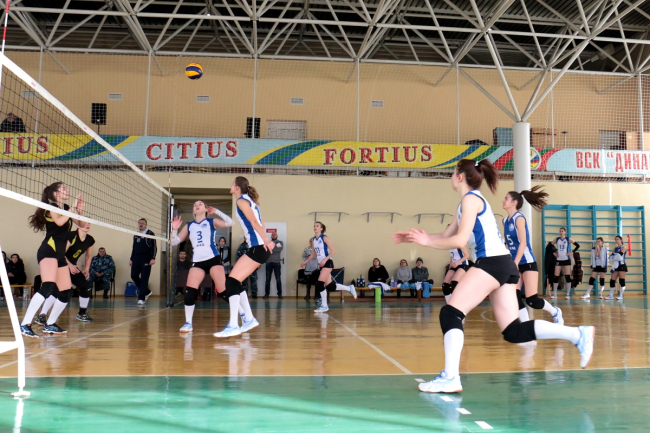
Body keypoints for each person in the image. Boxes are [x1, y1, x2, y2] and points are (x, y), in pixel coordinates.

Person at [393, 159, 594, 394]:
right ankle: (577, 334)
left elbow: (459, 240)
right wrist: (421, 238)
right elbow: (447, 234)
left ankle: (450, 377)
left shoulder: (471, 200)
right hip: (502, 264)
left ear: (460, 177)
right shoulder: (466, 203)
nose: (451, 176)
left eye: (453, 172)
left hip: (492, 263)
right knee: (513, 332)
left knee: (450, 313)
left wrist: (427, 242)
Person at [21, 182, 84, 338]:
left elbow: (82, 226)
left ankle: (50, 324)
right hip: (48, 251)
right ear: (56, 194)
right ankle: (25, 324)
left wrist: (79, 212)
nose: (67, 190)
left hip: (60, 255)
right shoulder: (50, 208)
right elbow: (60, 222)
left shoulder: (66, 208)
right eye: (64, 189)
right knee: (48, 286)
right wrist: (72, 208)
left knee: (66, 291)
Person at [214, 176, 273, 338]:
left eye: (232, 183)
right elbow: (261, 222)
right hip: (258, 247)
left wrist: (266, 240)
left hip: (259, 247)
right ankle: (249, 319)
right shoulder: (249, 201)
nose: (230, 185)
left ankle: (234, 325)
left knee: (231, 282)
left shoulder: (241, 201)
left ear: (237, 187)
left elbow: (254, 221)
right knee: (235, 281)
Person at [171, 201, 235, 333]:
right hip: (198, 262)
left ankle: (242, 313)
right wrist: (174, 229)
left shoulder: (211, 222)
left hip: (213, 259)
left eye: (200, 204)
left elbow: (230, 223)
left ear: (206, 209)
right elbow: (174, 242)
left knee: (223, 291)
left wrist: (216, 211)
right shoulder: (189, 225)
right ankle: (188, 323)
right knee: (190, 291)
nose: (197, 205)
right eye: (194, 204)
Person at [502, 187, 563, 324]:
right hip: (514, 262)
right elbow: (508, 243)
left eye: (506, 198)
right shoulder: (505, 221)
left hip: (527, 261)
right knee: (514, 296)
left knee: (532, 300)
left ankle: (555, 311)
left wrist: (515, 262)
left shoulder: (519, 218)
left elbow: (523, 242)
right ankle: (526, 325)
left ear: (514, 202)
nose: (503, 201)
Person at [37, 223, 96, 325]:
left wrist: (87, 269)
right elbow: (61, 253)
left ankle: (82, 313)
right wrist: (69, 265)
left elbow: (88, 256)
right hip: (60, 263)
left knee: (85, 286)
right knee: (56, 290)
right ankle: (42, 315)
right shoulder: (71, 236)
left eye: (89, 223)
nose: (87, 225)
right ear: (78, 225)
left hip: (72, 266)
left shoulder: (90, 240)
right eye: (84, 223)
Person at [302, 221, 356, 313]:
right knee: (330, 286)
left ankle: (324, 305)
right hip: (322, 264)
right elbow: (313, 254)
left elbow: (333, 251)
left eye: (317, 226)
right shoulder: (314, 239)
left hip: (328, 263)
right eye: (314, 226)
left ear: (321, 228)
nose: (315, 227)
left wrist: (324, 260)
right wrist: (305, 262)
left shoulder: (325, 238)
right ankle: (349, 288)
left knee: (320, 283)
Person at [130, 218, 157, 305]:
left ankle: (141, 298)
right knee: (133, 275)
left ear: (146, 225)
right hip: (136, 259)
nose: (141, 224)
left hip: (146, 259)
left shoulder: (150, 233)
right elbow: (134, 248)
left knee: (144, 278)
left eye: (143, 223)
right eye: (139, 223)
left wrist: (153, 258)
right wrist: (131, 259)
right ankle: (147, 291)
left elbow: (154, 247)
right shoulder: (136, 234)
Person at [551, 227, 579, 299]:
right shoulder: (557, 239)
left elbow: (577, 245)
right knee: (556, 276)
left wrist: (572, 252)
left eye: (562, 231)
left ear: (565, 232)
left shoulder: (568, 239)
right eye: (560, 231)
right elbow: (550, 246)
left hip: (566, 259)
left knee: (567, 276)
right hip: (559, 259)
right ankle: (554, 294)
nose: (561, 232)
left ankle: (568, 294)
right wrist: (554, 252)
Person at [607, 235, 628, 300]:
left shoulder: (623, 247)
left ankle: (621, 295)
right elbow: (611, 257)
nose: (616, 240)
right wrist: (613, 257)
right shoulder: (615, 248)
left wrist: (614, 256)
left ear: (621, 240)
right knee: (612, 280)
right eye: (615, 239)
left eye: (617, 239)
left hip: (621, 265)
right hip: (615, 266)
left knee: (622, 280)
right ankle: (611, 295)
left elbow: (619, 256)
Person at [264, 232, 284, 299]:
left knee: (278, 279)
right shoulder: (268, 242)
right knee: (267, 279)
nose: (273, 236)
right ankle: (267, 294)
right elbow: (266, 250)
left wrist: (271, 249)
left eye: (275, 234)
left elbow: (279, 249)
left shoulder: (280, 242)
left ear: (277, 236)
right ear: (271, 236)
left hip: (277, 263)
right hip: (268, 262)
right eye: (272, 235)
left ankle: (279, 294)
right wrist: (273, 249)